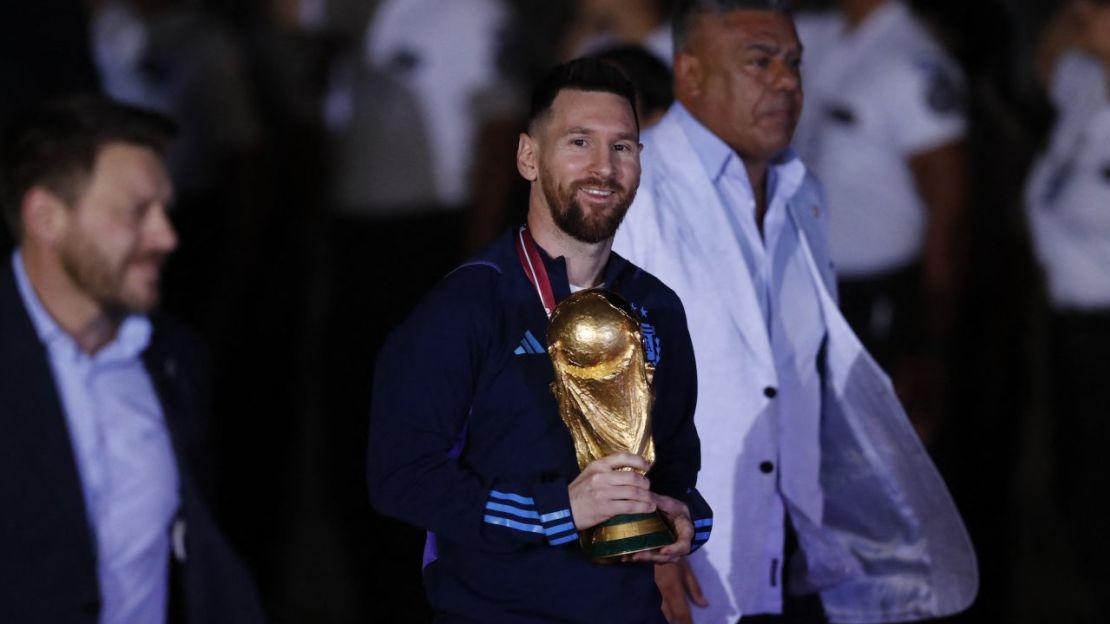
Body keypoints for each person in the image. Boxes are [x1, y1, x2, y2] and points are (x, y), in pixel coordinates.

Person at [613, 1, 977, 622]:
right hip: (687, 555)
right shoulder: (634, 188)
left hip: (791, 544)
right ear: (690, 75)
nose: (786, 81)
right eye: (760, 62)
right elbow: (595, 383)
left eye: (794, 63)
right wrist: (636, 541)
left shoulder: (798, 188)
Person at [367, 57, 712, 622]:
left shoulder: (657, 306)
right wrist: (558, 511)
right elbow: (400, 477)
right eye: (579, 142)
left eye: (623, 147)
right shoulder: (467, 306)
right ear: (529, 156)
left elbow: (676, 457)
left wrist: (681, 515)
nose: (604, 167)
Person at [0, 96, 265, 624]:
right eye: (137, 212)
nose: (167, 237)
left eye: (166, 209)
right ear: (46, 216)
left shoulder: (175, 358)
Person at [792, 0, 969, 440]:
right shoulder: (827, 36)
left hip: (882, 296)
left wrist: (929, 340)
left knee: (878, 453)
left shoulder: (911, 61)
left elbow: (949, 207)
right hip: (814, 286)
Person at [1026, 1, 1110, 620]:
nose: (1084, 15)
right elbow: (1047, 59)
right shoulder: (1086, 78)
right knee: (1079, 481)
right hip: (1074, 320)